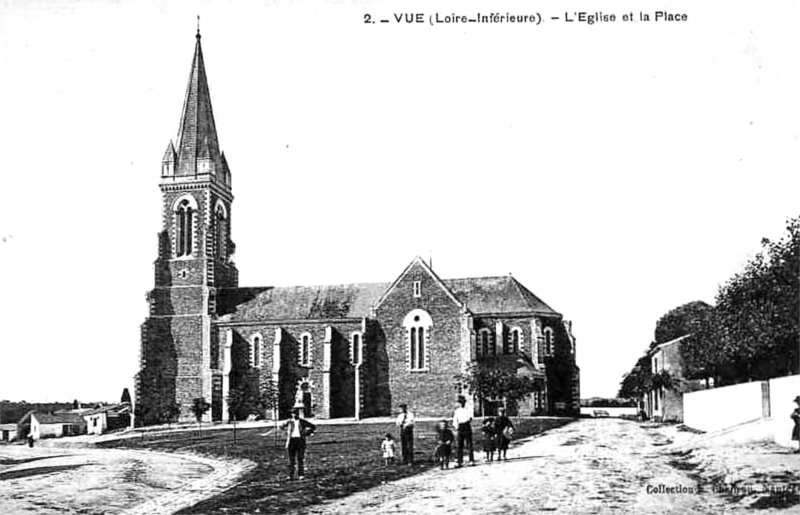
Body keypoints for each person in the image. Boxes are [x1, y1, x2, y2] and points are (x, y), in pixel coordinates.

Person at [281, 408, 316, 480]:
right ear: (291, 414)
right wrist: (286, 433)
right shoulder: (289, 421)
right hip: (291, 441)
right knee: (291, 460)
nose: (294, 415)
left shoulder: (302, 422)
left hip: (300, 441)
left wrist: (307, 433)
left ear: (298, 414)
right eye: (293, 413)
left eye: (296, 413)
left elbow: (313, 426)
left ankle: (301, 474)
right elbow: (281, 426)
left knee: (300, 458)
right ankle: (290, 475)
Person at [452, 395, 475, 467]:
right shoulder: (457, 411)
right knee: (460, 445)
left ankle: (471, 460)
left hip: (466, 426)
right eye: (460, 402)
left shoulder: (467, 410)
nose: (461, 404)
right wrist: (457, 427)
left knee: (469, 444)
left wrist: (466, 422)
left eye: (462, 402)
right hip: (461, 427)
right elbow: (455, 420)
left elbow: (470, 418)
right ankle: (459, 461)